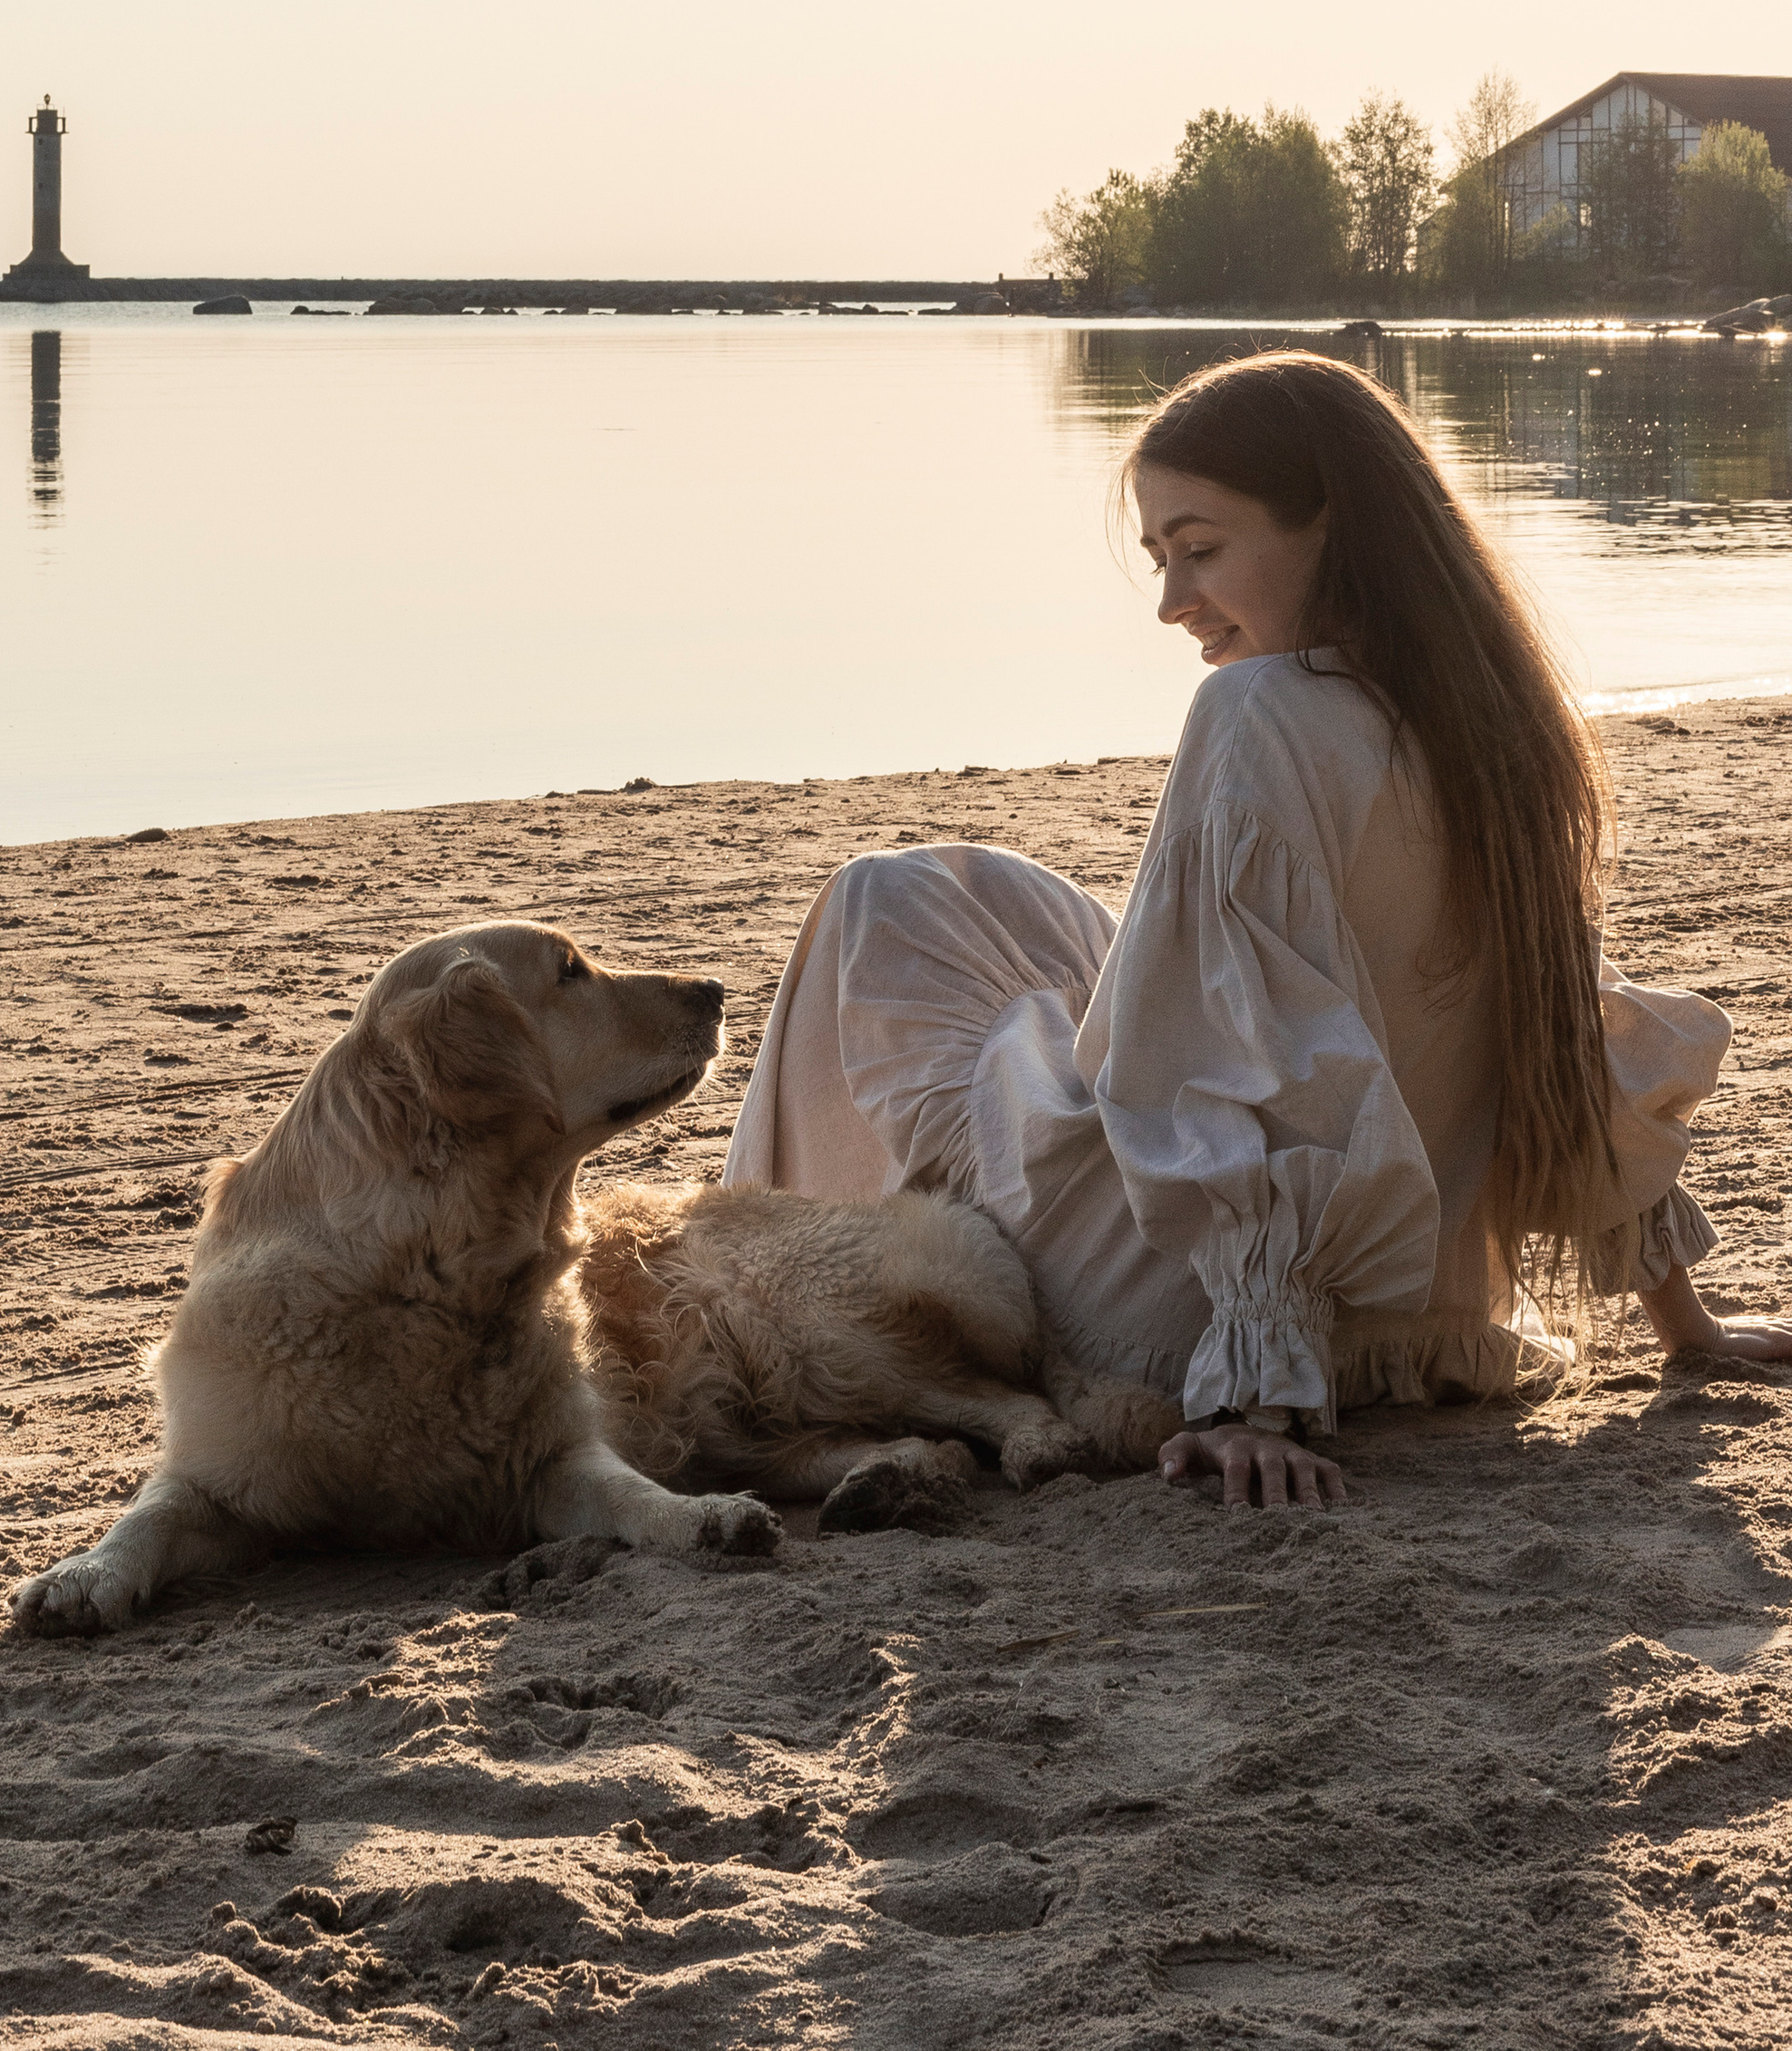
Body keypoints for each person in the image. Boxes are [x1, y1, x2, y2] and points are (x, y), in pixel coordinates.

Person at [723, 349, 1792, 1509]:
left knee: (877, 907)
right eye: (1160, 560)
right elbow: (1566, 1032)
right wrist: (1684, 1323)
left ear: (1331, 524)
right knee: (960, 888)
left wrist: (1250, 1396)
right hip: (1407, 1310)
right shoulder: (1503, 724)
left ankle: (766, 1304)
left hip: (1171, 1306)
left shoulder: (1255, 711)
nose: (1174, 600)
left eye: (1201, 549)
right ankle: (806, 1278)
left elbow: (1262, 1064)